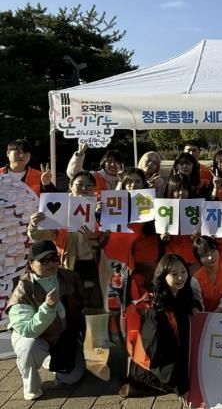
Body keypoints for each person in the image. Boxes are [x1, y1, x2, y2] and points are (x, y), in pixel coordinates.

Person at [6, 241, 85, 401]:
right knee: (29, 349)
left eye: (54, 258)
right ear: (31, 264)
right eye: (43, 260)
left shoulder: (70, 277)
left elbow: (83, 305)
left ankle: (50, 360)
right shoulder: (23, 290)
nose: (50, 264)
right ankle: (31, 387)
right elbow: (28, 330)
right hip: (35, 337)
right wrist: (47, 307)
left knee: (71, 378)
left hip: (62, 336)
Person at [124, 254, 200, 397]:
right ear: (162, 276)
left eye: (183, 271)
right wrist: (182, 387)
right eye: (174, 274)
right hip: (156, 368)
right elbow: (159, 353)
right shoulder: (155, 310)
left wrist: (195, 306)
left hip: (175, 357)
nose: (180, 277)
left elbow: (189, 304)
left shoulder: (182, 293)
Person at [29, 171, 106, 309]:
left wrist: (96, 236)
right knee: (70, 303)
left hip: (95, 264)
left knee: (94, 303)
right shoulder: (60, 207)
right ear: (71, 185)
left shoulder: (100, 207)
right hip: (68, 263)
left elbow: (109, 239)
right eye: (80, 184)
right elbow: (39, 235)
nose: (84, 188)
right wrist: (34, 224)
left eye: (89, 186)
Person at [191, 236, 222, 312]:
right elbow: (199, 306)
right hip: (205, 316)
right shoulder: (195, 280)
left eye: (213, 251)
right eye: (205, 255)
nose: (210, 257)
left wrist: (216, 313)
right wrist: (209, 317)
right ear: (199, 259)